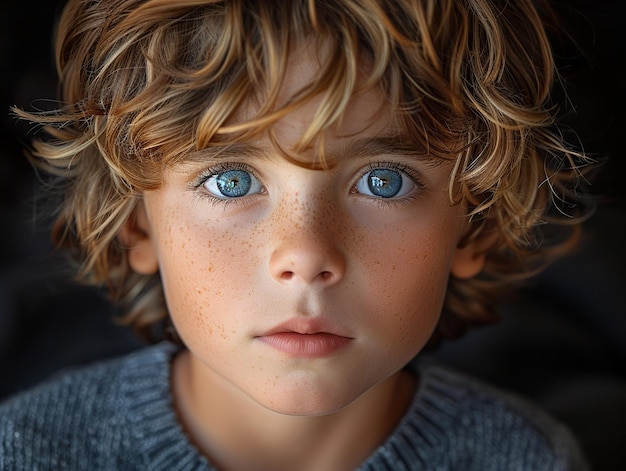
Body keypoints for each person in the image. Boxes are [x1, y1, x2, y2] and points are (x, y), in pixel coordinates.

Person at [0, 0, 592, 469]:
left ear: (475, 228)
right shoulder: (26, 451)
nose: (306, 256)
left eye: (384, 181)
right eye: (230, 181)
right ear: (135, 223)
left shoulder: (529, 458)